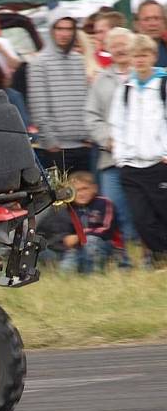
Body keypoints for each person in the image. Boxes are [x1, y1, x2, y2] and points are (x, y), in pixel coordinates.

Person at [109, 34, 167, 266]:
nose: (140, 60)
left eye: (144, 55)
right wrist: (121, 157)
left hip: (158, 162)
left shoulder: (163, 84)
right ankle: (158, 255)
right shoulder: (125, 89)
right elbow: (117, 124)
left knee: (163, 212)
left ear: (153, 56)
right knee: (141, 218)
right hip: (132, 165)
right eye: (136, 55)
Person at [85, 27, 138, 260]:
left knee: (142, 207)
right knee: (115, 208)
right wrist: (108, 139)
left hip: (144, 157)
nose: (120, 48)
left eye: (124, 43)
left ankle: (147, 254)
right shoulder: (101, 80)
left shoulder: (149, 75)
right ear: (108, 49)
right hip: (112, 158)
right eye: (115, 45)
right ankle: (124, 256)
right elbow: (91, 116)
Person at [27, 9, 92, 173]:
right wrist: (51, 142)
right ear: (51, 30)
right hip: (57, 148)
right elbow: (38, 106)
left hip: (83, 145)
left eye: (69, 29)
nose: (65, 33)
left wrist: (88, 136)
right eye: (60, 28)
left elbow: (85, 100)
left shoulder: (78, 60)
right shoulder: (39, 63)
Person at [39, 172, 117, 273]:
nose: (81, 194)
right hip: (74, 250)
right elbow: (58, 234)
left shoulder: (103, 203)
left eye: (85, 189)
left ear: (94, 188)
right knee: (63, 269)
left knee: (91, 241)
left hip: (101, 245)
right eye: (77, 190)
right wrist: (65, 240)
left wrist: (80, 235)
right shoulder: (65, 208)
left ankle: (94, 274)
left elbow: (106, 229)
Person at [134, 0, 167, 67]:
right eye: (147, 19)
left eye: (157, 18)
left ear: (164, 23)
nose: (153, 24)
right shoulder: (127, 52)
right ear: (137, 24)